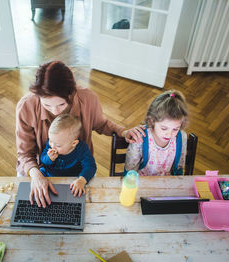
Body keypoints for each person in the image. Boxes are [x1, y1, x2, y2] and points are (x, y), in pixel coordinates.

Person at [15, 60, 144, 208]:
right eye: (47, 105)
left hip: (78, 169)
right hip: (40, 168)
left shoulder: (88, 98)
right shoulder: (26, 106)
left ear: (73, 92)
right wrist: (36, 174)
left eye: (62, 105)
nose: (55, 112)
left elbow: (101, 124)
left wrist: (122, 131)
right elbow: (25, 153)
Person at [124, 89, 189, 176]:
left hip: (167, 183)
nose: (169, 134)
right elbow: (130, 172)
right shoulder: (140, 138)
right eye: (164, 128)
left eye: (175, 129)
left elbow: (179, 167)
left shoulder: (181, 137)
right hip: (142, 183)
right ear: (152, 120)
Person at [40, 114, 96, 197]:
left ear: (74, 143)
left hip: (72, 180)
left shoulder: (81, 149)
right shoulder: (51, 145)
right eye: (50, 140)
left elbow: (90, 166)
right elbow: (43, 159)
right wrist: (49, 158)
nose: (52, 146)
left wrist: (81, 180)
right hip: (49, 177)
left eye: (58, 145)